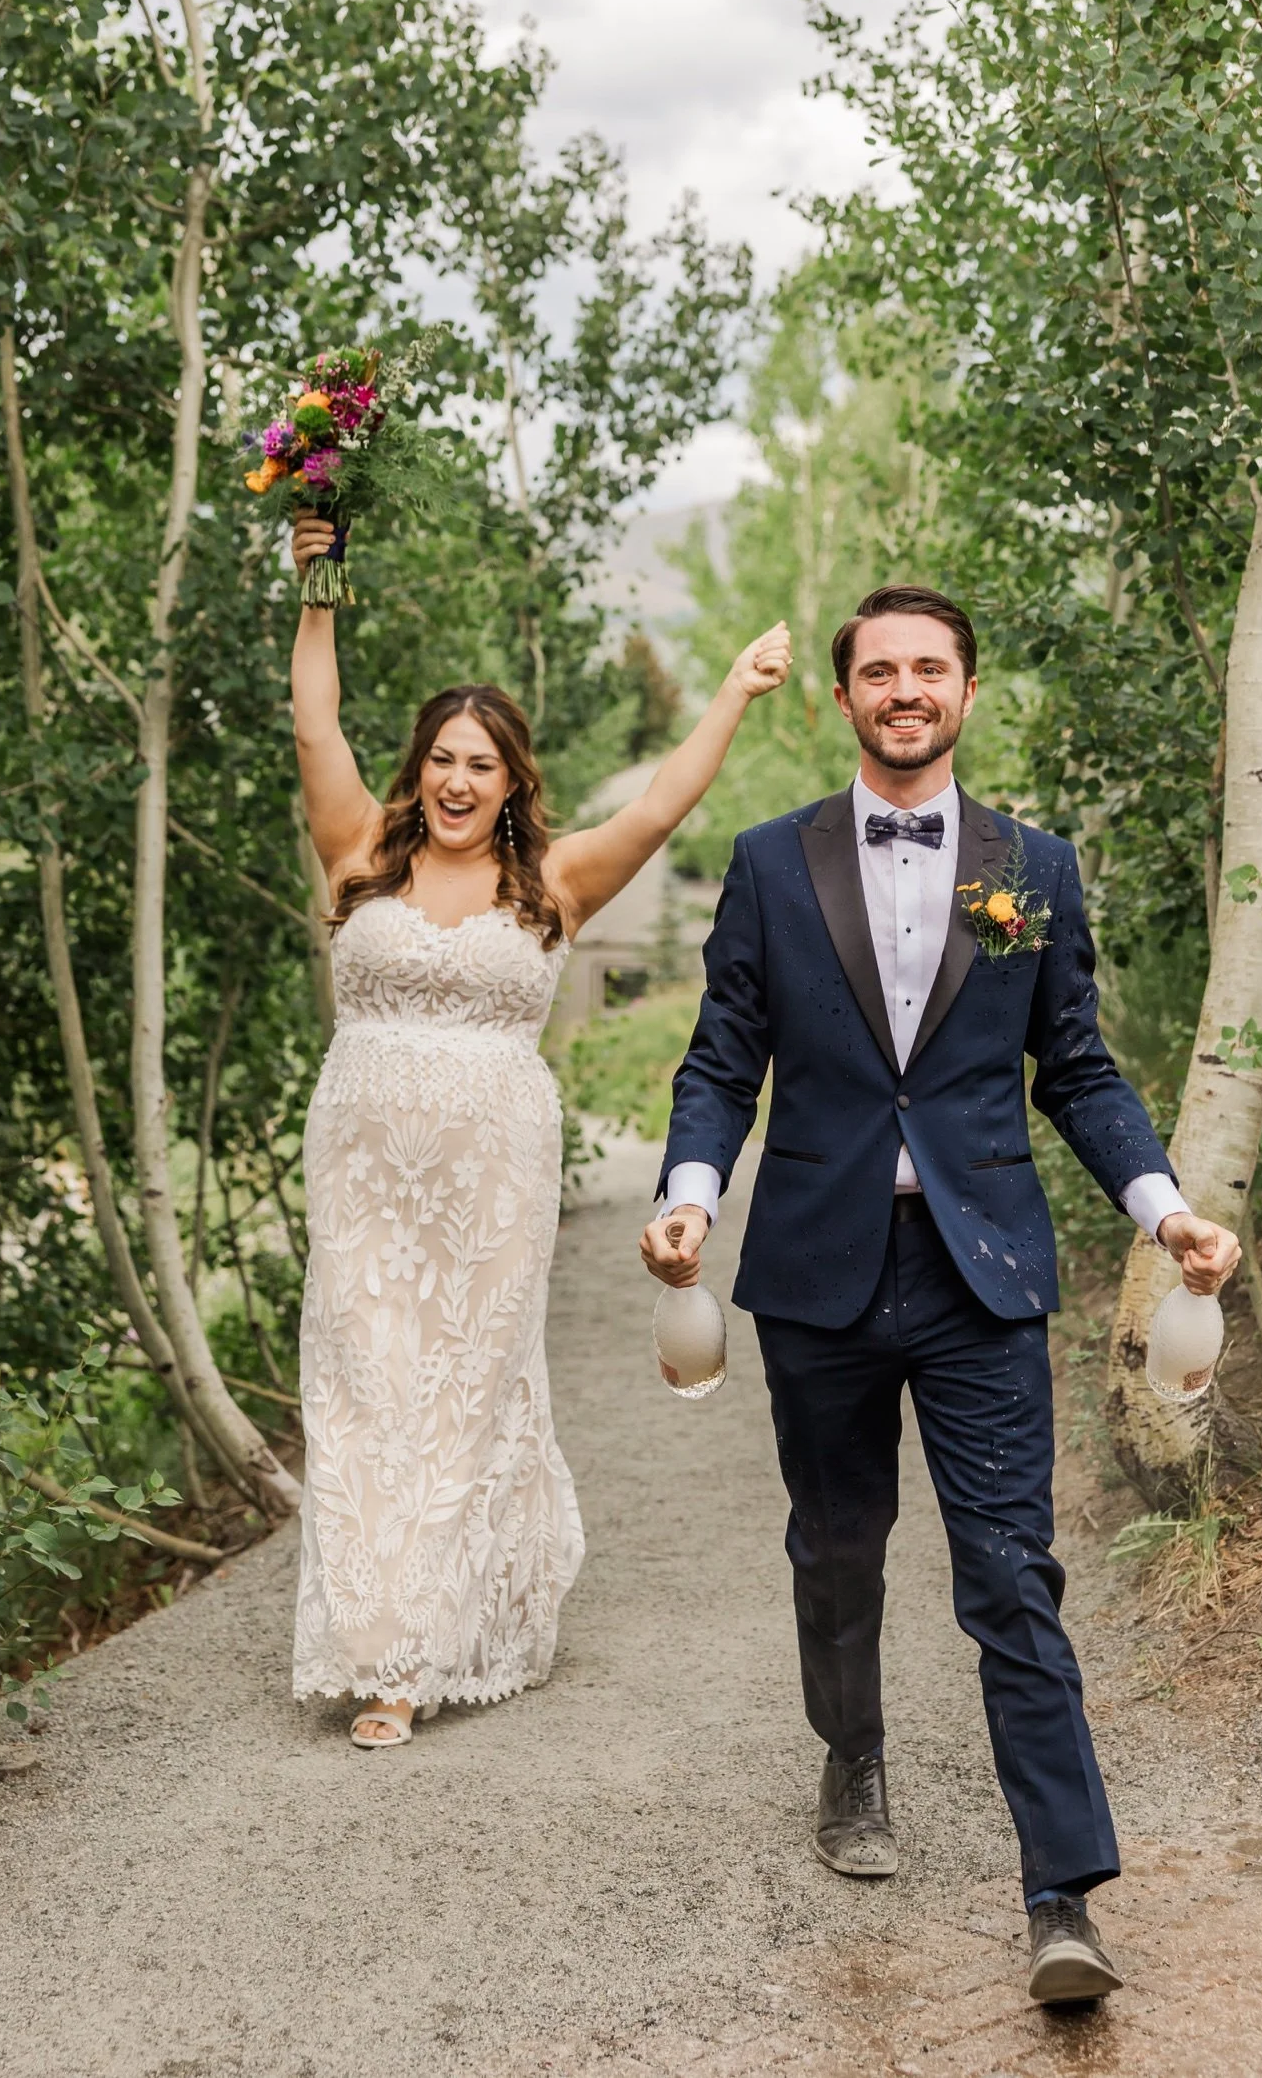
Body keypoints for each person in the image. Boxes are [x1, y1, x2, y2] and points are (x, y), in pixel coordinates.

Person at [640, 583, 1240, 2005]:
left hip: (985, 1271)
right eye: (880, 670)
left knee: (1013, 1573)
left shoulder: (1036, 864)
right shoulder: (770, 862)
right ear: (842, 694)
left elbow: (1075, 1067)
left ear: (967, 689)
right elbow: (725, 1056)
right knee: (837, 1547)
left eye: (930, 668)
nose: (905, 690)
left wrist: (1165, 1209)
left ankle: (1062, 1894)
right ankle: (852, 1754)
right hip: (817, 1270)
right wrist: (690, 1191)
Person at [288, 508, 791, 1748]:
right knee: (362, 1388)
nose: (457, 781)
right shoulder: (358, 850)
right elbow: (312, 725)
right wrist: (317, 587)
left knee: (464, 1385)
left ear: (513, 781)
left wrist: (731, 691)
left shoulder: (554, 881)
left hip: (493, 1179)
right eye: (440, 759)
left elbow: (663, 807)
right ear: (417, 769)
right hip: (362, 1170)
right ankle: (376, 1628)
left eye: (482, 763)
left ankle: (410, 1657)